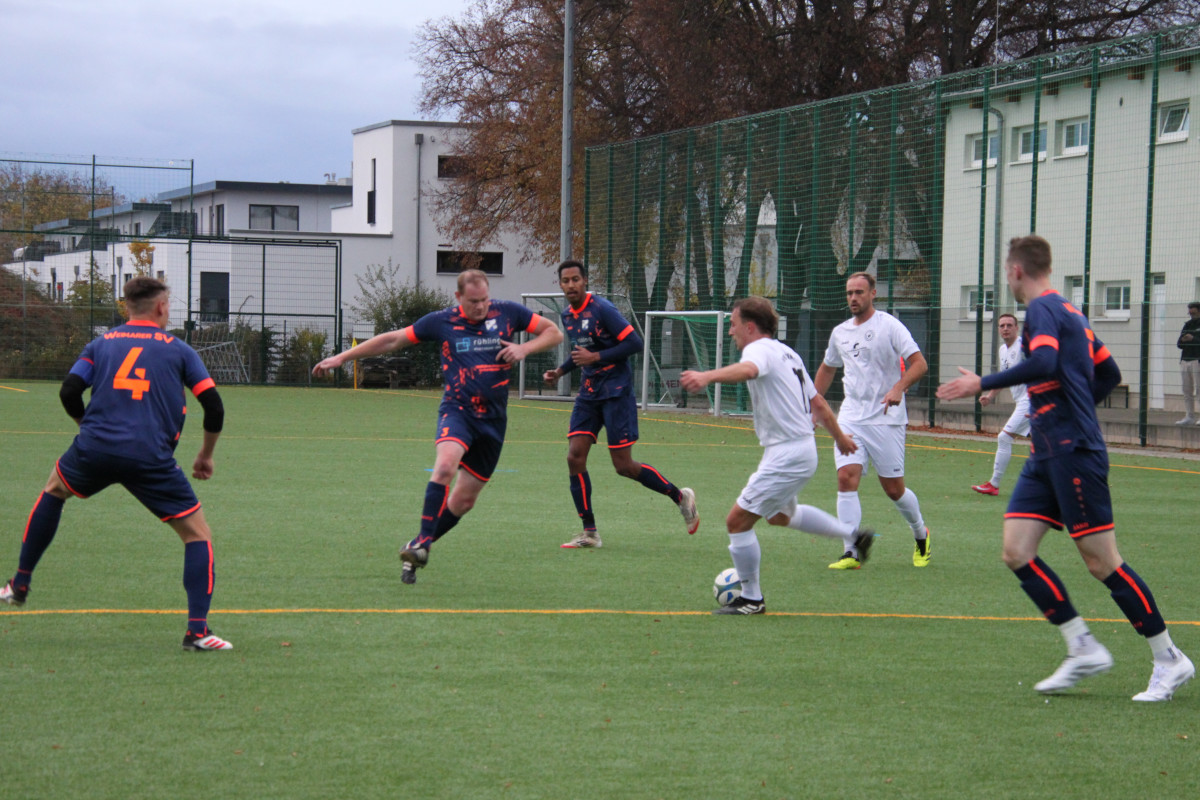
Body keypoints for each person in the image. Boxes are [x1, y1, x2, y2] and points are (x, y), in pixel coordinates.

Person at [938, 234, 1193, 701]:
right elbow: (1110, 373)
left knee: (1101, 562)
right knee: (1017, 550)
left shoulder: (1041, 311)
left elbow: (1046, 360)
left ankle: (1168, 658)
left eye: (1007, 272)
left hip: (1073, 450)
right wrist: (1073, 406)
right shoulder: (1073, 312)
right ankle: (1082, 647)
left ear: (1017, 271)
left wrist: (983, 382)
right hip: (1047, 451)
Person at [0, 277, 232, 651]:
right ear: (160, 307)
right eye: (169, 305)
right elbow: (214, 405)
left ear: (127, 307)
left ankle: (19, 584)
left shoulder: (100, 343)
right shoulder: (179, 349)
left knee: (54, 490)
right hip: (150, 457)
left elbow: (69, 391)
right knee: (197, 535)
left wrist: (86, 428)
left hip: (94, 449)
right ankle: (197, 632)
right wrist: (205, 455)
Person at [312, 269, 563, 584]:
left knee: (463, 502)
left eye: (484, 299)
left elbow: (554, 332)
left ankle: (419, 545)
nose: (481, 307)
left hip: (494, 421)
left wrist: (524, 348)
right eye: (473, 302)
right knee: (444, 467)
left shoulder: (508, 312)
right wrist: (342, 358)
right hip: (458, 412)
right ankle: (421, 547)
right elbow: (392, 340)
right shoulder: (441, 321)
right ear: (458, 298)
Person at [680, 297, 874, 615]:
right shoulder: (789, 354)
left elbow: (749, 370)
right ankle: (852, 535)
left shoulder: (759, 350)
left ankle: (752, 599)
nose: (731, 331)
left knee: (736, 522)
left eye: (733, 324)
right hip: (799, 450)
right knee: (780, 516)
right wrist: (839, 438)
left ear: (750, 327)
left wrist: (707, 377)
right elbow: (820, 404)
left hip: (787, 453)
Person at [542, 260, 698, 548]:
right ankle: (589, 533)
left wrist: (596, 359)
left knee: (623, 466)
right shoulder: (567, 315)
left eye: (576, 279)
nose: (571, 285)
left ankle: (681, 497)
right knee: (574, 457)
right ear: (561, 285)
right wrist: (560, 372)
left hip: (616, 391)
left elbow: (634, 344)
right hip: (589, 393)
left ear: (585, 281)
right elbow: (581, 353)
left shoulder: (602, 309)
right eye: (566, 281)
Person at [814, 272, 931, 569]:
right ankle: (850, 551)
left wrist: (897, 388)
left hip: (886, 419)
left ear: (873, 293)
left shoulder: (889, 326)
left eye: (859, 292)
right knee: (845, 478)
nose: (853, 298)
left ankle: (920, 533)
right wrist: (813, 404)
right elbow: (828, 368)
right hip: (851, 417)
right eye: (849, 292)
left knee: (894, 489)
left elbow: (920, 363)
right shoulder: (840, 332)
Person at [971, 313, 1030, 495]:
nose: (1005, 328)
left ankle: (994, 484)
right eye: (1002, 325)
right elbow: (1005, 379)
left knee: (1004, 438)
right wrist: (990, 396)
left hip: (1031, 401)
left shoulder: (1023, 347)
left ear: (1016, 328)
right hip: (1024, 401)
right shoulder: (1003, 350)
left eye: (1009, 325)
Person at [1175, 301, 1200, 425]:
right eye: (1190, 313)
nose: (1191, 315)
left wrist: (1193, 339)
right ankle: (1189, 416)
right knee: (1187, 390)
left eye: (1194, 313)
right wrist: (1184, 339)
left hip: (1197, 360)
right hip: (1185, 360)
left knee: (1199, 389)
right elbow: (1179, 344)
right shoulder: (1187, 325)